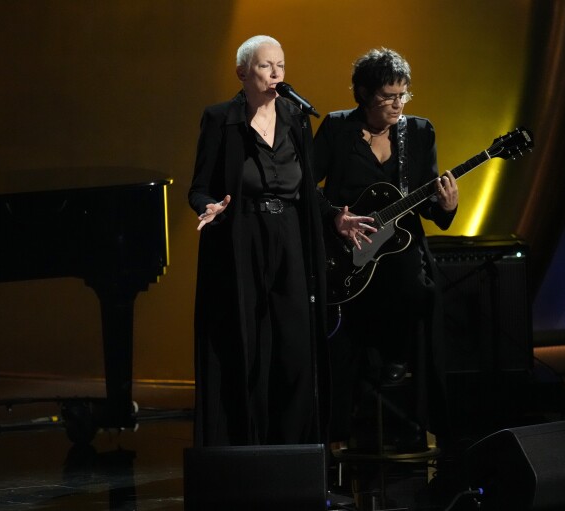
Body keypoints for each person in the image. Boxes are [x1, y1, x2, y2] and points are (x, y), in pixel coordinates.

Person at [188, 35, 374, 447]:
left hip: (290, 238)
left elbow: (308, 189)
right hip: (244, 238)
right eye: (265, 66)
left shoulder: (294, 118)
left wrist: (334, 217)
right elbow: (197, 187)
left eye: (281, 66)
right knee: (248, 348)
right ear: (242, 74)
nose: (275, 74)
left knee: (295, 348)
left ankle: (293, 448)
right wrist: (211, 206)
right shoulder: (221, 119)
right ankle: (245, 450)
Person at [314, 47, 459, 451]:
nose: (397, 105)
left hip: (400, 252)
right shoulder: (337, 128)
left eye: (403, 96)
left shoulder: (419, 132)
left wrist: (446, 206)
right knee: (343, 327)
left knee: (424, 293)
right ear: (362, 93)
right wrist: (335, 218)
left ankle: (420, 406)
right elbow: (305, 186)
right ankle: (338, 432)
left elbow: (428, 201)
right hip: (349, 255)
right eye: (387, 97)